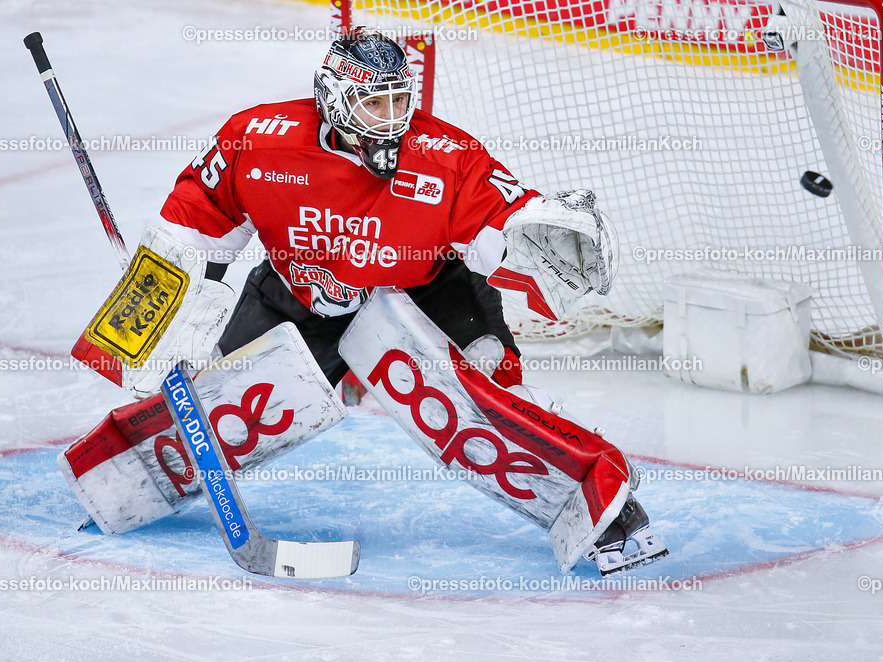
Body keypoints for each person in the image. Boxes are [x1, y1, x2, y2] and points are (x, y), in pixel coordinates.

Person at [66, 28, 667, 575]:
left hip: (429, 292)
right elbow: (193, 226)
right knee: (218, 410)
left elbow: (500, 218)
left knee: (489, 397)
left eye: (399, 100)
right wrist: (147, 315)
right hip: (302, 295)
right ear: (333, 98)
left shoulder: (446, 157)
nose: (391, 118)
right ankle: (121, 477)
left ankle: (603, 506)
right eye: (372, 103)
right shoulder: (259, 141)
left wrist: (534, 230)